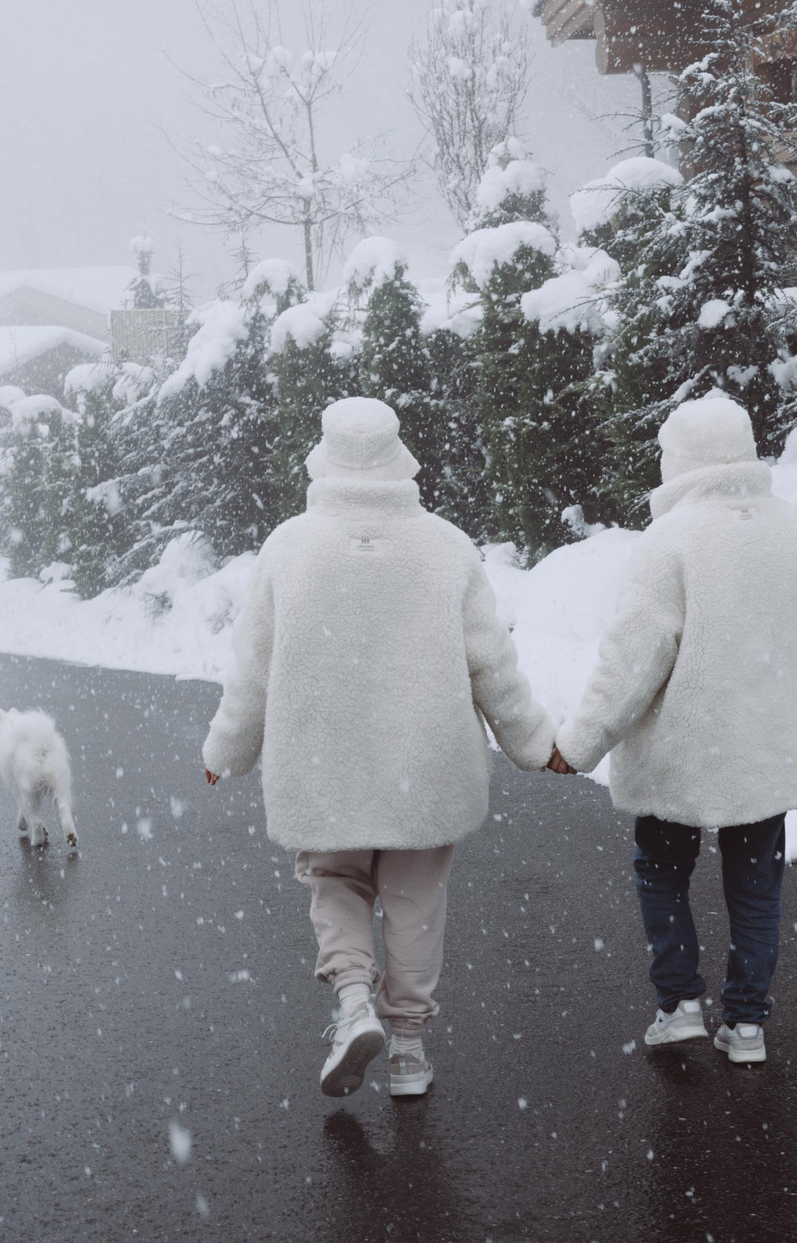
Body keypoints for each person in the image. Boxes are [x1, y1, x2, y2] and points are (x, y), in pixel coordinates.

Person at [202, 396, 556, 1100]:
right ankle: (410, 1051)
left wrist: (226, 748)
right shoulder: (446, 546)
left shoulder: (289, 546)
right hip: (424, 763)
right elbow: (492, 663)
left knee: (337, 882)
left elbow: (253, 669)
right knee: (415, 899)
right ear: (400, 457)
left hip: (323, 759)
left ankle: (355, 1003)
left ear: (324, 457)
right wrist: (535, 742)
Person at [548, 393, 797, 1065]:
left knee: (661, 867)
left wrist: (580, 742)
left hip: (686, 744)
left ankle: (678, 1005)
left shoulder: (674, 539)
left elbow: (633, 657)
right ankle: (746, 1025)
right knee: (756, 883)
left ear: (677, 460)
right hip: (766, 743)